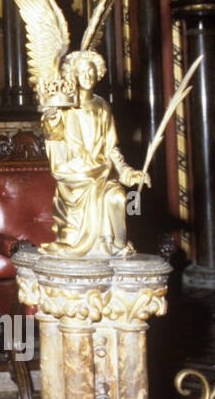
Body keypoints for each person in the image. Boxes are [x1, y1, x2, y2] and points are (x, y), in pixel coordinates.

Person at [41, 51, 150, 258]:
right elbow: (52, 133)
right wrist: (51, 118)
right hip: (76, 176)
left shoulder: (102, 106)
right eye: (82, 72)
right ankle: (75, 242)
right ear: (74, 75)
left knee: (118, 198)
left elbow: (111, 148)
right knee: (91, 180)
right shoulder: (65, 105)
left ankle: (117, 247)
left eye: (91, 71)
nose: (87, 76)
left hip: (102, 171)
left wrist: (127, 173)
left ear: (98, 73)